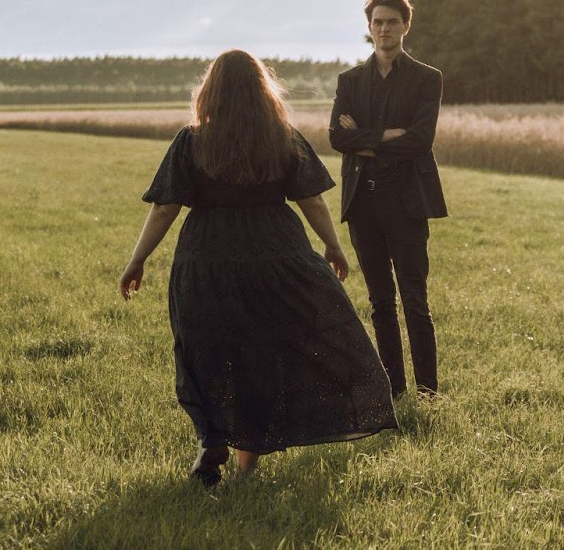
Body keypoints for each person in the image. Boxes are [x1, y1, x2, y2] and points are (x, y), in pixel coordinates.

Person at [118, 49, 396, 486]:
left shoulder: (192, 140)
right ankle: (246, 467)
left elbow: (164, 209)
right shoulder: (281, 138)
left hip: (207, 256)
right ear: (262, 91)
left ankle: (212, 438)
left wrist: (137, 260)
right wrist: (332, 246)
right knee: (262, 354)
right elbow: (311, 200)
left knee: (205, 350)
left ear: (211, 91)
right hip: (275, 252)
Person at [329, 0, 448, 397]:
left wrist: (363, 137)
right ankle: (393, 390)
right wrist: (388, 134)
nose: (384, 29)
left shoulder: (427, 78)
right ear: (369, 27)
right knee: (380, 302)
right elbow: (336, 138)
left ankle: (428, 391)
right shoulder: (349, 81)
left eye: (392, 22)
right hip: (363, 204)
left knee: (416, 301)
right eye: (377, 22)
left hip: (407, 203)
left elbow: (420, 140)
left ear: (406, 26)